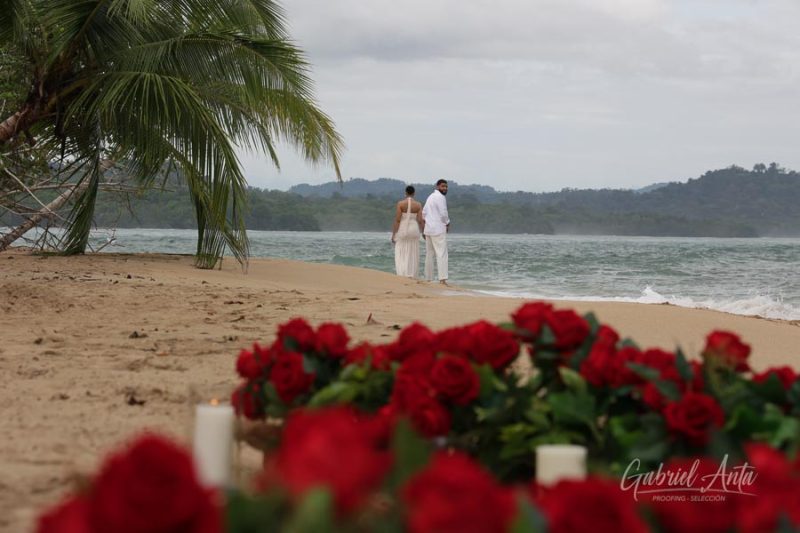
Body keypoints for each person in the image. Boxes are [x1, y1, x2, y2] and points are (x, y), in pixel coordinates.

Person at [391, 185, 425, 278]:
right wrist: (423, 232)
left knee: (400, 250)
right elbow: (420, 220)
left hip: (403, 228)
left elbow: (398, 220)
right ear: (414, 193)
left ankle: (402, 273)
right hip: (414, 229)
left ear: (405, 193)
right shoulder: (418, 204)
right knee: (413, 251)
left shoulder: (400, 204)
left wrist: (394, 234)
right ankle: (412, 273)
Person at [422, 179, 450, 284]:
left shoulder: (430, 197)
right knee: (442, 254)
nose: (445, 188)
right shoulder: (441, 197)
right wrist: (447, 222)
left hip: (428, 229)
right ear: (437, 186)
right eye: (443, 186)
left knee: (429, 254)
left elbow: (423, 213)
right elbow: (443, 213)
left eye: (446, 187)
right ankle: (442, 280)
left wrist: (425, 225)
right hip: (438, 229)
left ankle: (428, 278)